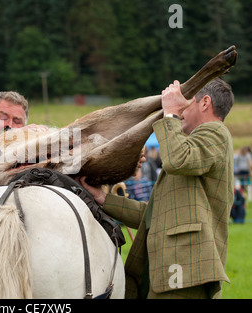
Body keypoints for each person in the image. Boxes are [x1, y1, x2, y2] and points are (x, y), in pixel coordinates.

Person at [79, 78, 235, 299]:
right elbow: (154, 215)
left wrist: (170, 112)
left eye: (185, 103)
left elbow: (177, 160)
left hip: (184, 268)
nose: (181, 111)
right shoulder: (198, 146)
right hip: (172, 270)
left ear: (205, 102)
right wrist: (103, 199)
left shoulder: (215, 132)